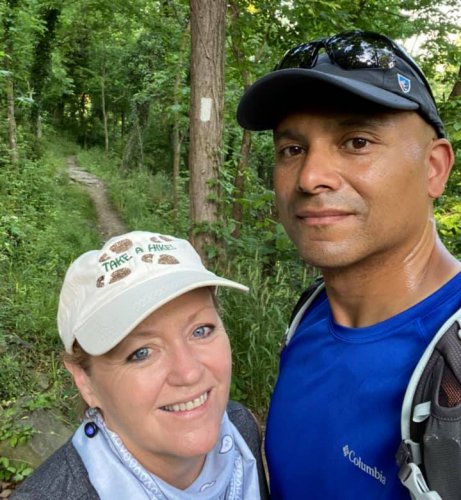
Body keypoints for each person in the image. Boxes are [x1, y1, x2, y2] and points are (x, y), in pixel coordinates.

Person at [237, 29, 460, 498]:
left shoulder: (453, 371)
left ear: (434, 168)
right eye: (292, 150)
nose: (311, 177)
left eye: (357, 141)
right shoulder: (309, 317)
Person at [13, 231, 269, 499]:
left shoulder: (240, 429)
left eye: (201, 331)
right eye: (141, 353)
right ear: (85, 382)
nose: (189, 372)